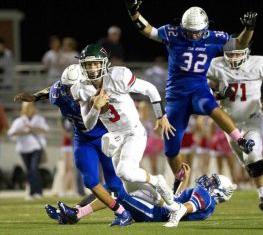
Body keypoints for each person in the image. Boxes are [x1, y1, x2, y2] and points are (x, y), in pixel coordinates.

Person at [121, 0, 256, 192]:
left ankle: (240, 139)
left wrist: (249, 28)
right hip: (176, 95)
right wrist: (133, 13)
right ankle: (179, 177)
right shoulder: (173, 33)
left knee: (210, 105)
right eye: (190, 31)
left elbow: (240, 43)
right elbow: (148, 30)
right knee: (171, 149)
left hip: (199, 88)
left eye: (197, 31)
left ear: (206, 26)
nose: (193, 35)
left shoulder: (214, 37)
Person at [71, 44, 186, 223]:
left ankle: (157, 180)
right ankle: (175, 208)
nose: (92, 68)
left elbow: (150, 89)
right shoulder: (81, 89)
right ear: (82, 67)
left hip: (133, 132)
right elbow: (88, 124)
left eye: (95, 64)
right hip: (116, 138)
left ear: (104, 64)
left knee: (125, 171)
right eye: (88, 64)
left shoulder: (118, 76)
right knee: (131, 188)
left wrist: (160, 115)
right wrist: (95, 107)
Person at [14, 65, 132, 226]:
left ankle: (75, 213)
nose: (71, 91)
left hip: (106, 137)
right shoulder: (61, 90)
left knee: (114, 185)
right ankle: (121, 213)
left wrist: (100, 105)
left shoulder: (96, 91)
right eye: (67, 87)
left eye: (73, 87)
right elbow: (53, 89)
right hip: (83, 139)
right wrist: (34, 97)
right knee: (90, 181)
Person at [206, 42, 263, 214]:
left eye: (237, 54)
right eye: (230, 55)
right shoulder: (216, 65)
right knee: (248, 163)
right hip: (229, 123)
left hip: (252, 119)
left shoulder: (258, 63)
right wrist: (219, 95)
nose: (233, 58)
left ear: (246, 53)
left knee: (252, 154)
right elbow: (203, 87)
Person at [46, 170, 237, 228]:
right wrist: (181, 181)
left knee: (117, 192)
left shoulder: (206, 197)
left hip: (155, 213)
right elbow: (177, 201)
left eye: (214, 181)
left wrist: (174, 220)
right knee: (113, 186)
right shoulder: (205, 199)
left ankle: (75, 214)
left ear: (219, 191)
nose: (208, 180)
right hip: (158, 208)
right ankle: (73, 211)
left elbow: (182, 208)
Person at [7, 102, 49, 200]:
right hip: (23, 149)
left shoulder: (38, 119)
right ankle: (31, 192)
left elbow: (45, 130)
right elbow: (10, 133)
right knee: (29, 171)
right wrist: (22, 131)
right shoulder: (19, 121)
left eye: (30, 107)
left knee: (34, 169)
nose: (28, 109)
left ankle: (37, 192)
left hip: (36, 148)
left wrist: (32, 128)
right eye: (26, 107)